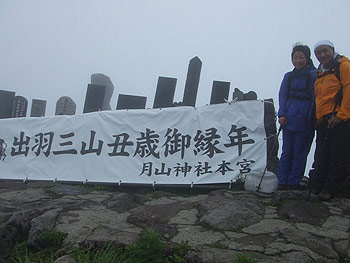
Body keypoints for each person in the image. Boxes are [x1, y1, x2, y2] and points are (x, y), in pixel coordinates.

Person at [309, 40, 350, 201]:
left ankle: (330, 189)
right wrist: (318, 118)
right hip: (324, 121)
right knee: (322, 154)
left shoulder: (343, 67)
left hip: (340, 120)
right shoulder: (321, 72)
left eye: (325, 51)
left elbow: (348, 91)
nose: (322, 55)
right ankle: (317, 186)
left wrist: (341, 115)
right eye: (318, 53)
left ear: (332, 50)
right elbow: (320, 98)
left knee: (338, 155)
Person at [277, 44, 316, 190]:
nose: (298, 61)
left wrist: (313, 117)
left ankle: (293, 182)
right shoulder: (289, 76)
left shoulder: (313, 75)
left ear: (307, 58)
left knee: (299, 152)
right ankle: (283, 181)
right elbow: (283, 96)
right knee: (287, 151)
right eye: (295, 57)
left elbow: (315, 98)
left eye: (301, 57)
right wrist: (281, 114)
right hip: (289, 119)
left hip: (305, 120)